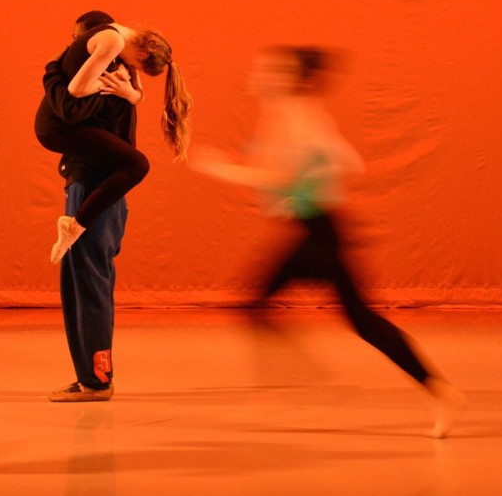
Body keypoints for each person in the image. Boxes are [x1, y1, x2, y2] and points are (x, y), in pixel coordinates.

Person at [190, 46, 463, 437]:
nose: (259, 74)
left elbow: (277, 177)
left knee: (348, 319)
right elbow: (348, 161)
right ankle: (433, 389)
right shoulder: (290, 115)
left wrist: (220, 168)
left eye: (270, 70)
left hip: (320, 231)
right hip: (314, 228)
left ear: (290, 78)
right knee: (303, 312)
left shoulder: (298, 119)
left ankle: (435, 390)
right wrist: (315, 175)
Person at [33, 15, 191, 402]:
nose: (75, 45)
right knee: (81, 282)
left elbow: (70, 110)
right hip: (95, 189)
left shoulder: (110, 71)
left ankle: (97, 380)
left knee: (88, 283)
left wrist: (51, 71)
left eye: (77, 38)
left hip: (93, 190)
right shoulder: (122, 78)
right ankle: (90, 376)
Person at [35, 20, 192, 264]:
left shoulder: (121, 37)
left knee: (132, 163)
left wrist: (129, 92)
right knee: (137, 165)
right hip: (58, 128)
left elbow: (136, 92)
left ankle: (74, 227)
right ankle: (74, 227)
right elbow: (76, 90)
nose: (130, 70)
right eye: (135, 66)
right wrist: (110, 82)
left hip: (64, 125)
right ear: (141, 53)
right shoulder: (113, 41)